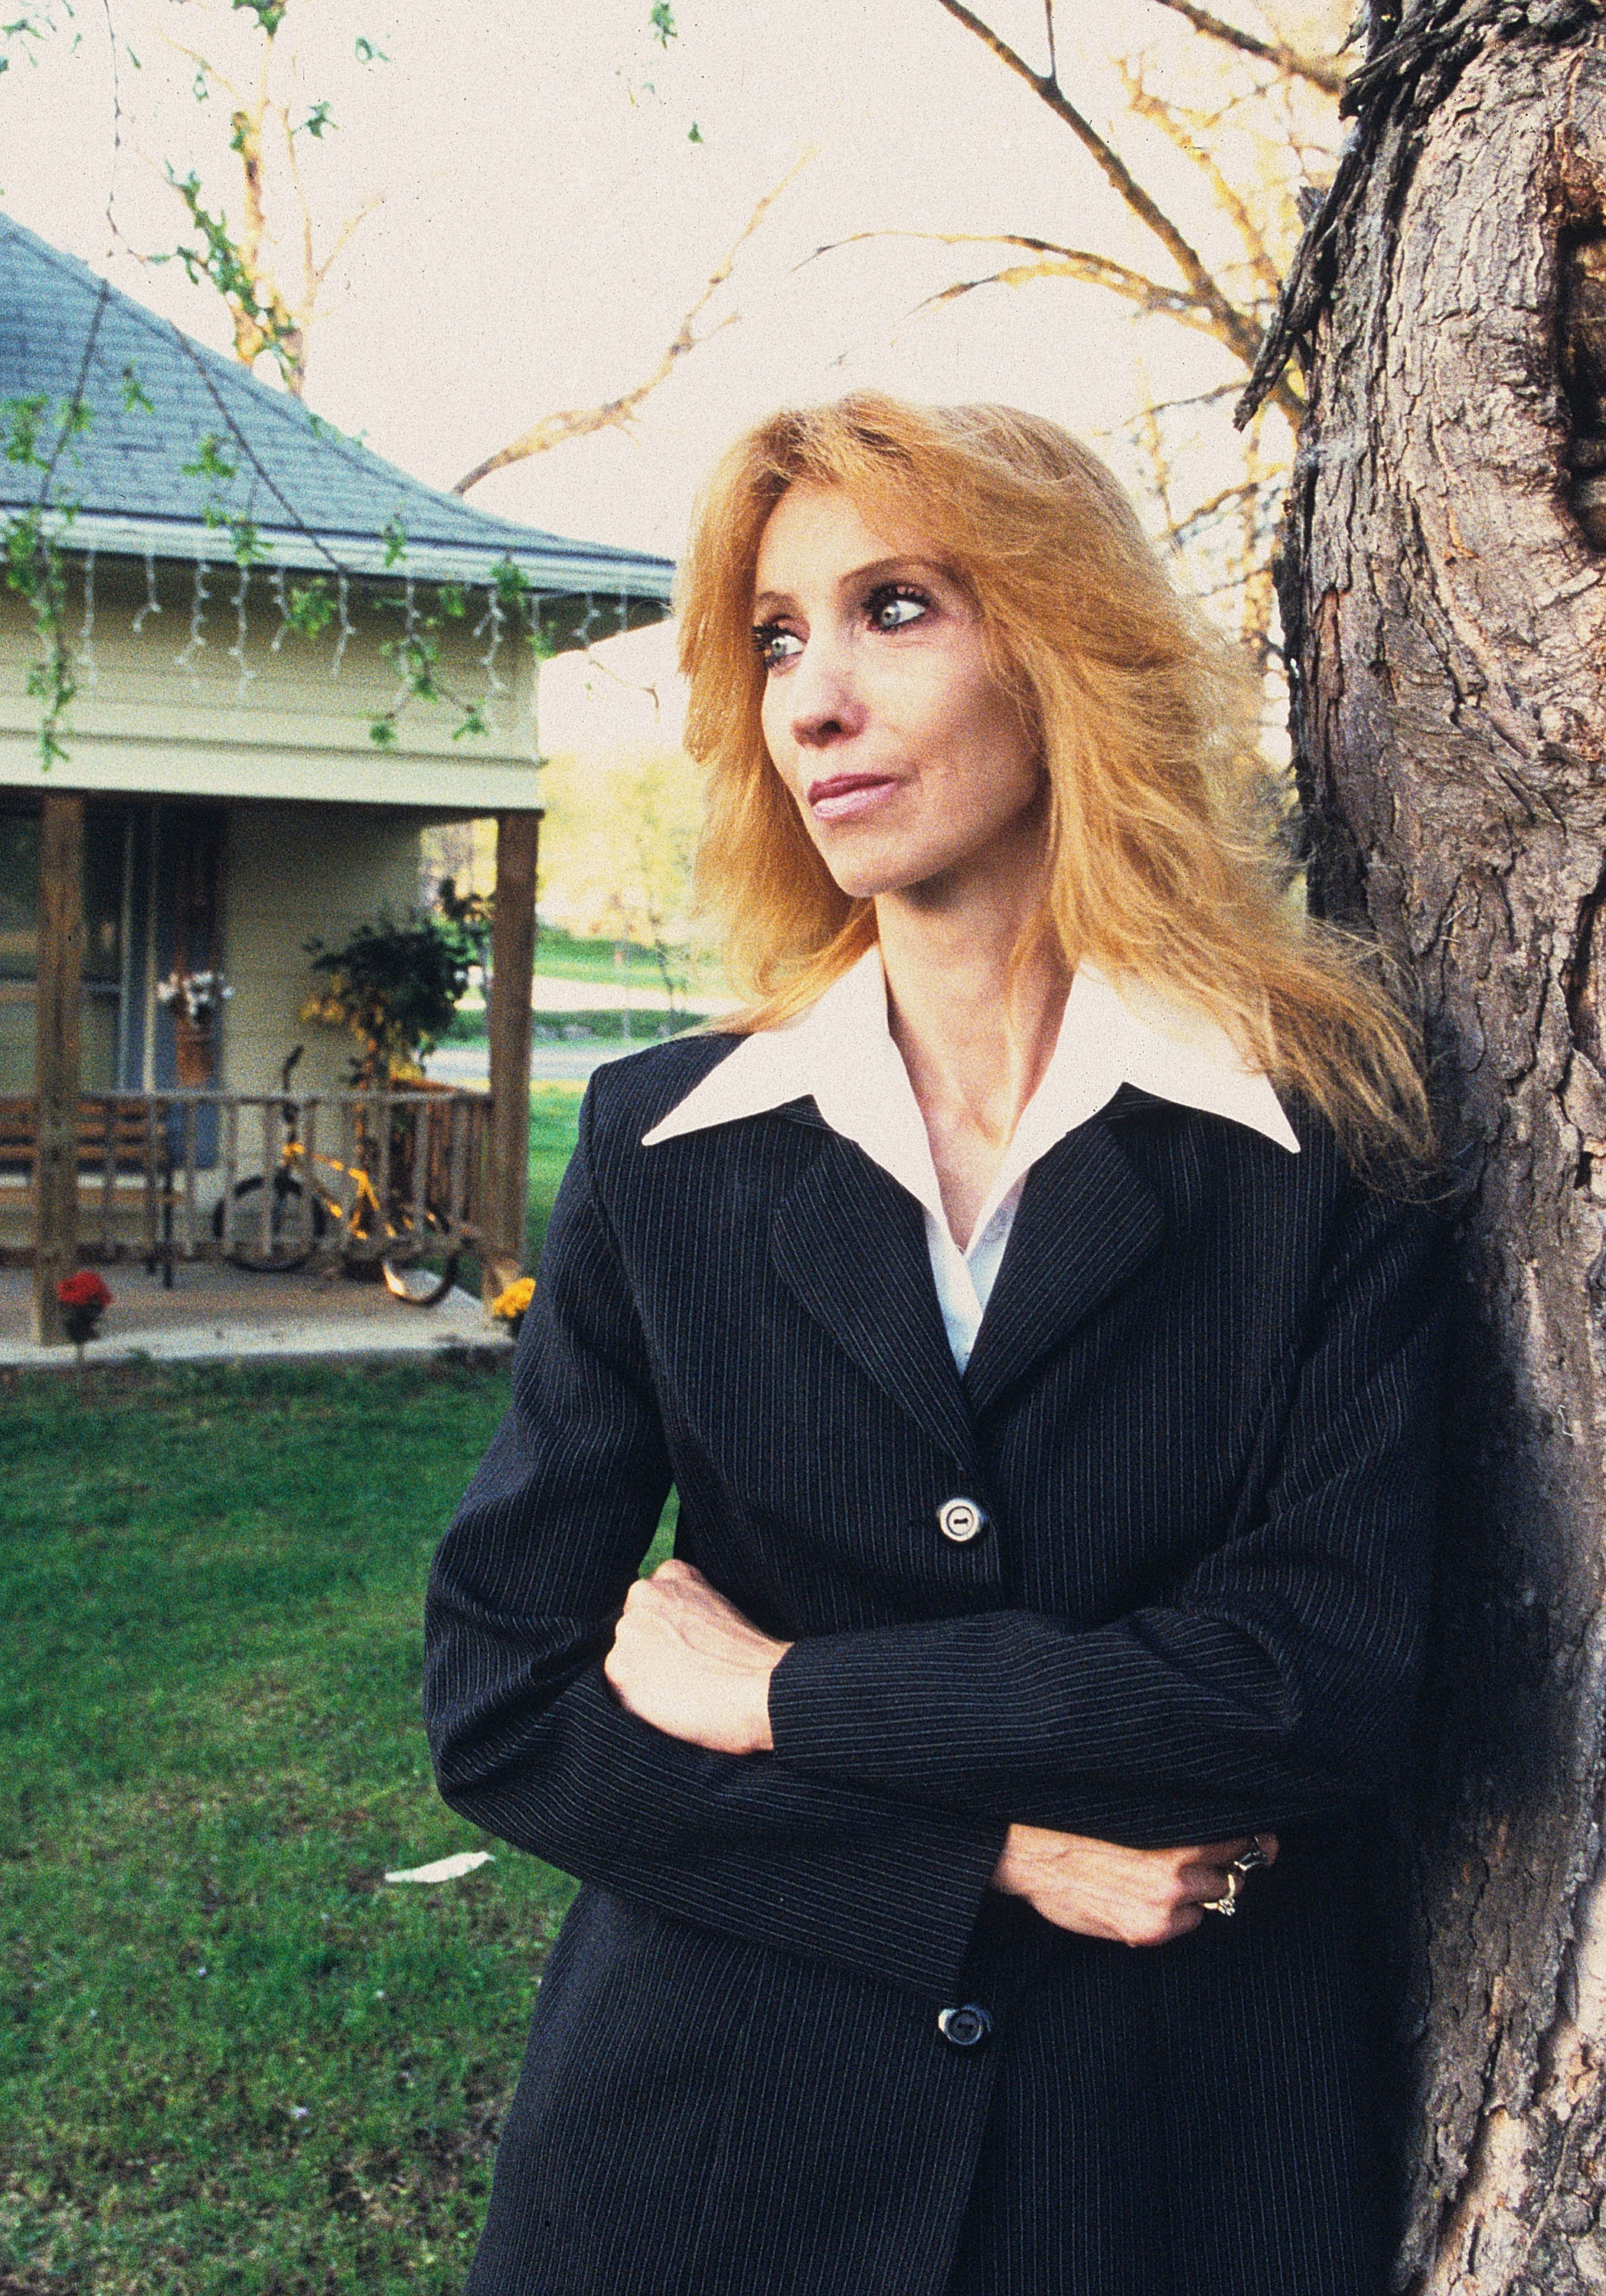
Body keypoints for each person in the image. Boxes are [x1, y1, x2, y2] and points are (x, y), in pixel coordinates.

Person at [424, 392, 1444, 2296]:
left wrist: (786, 1696)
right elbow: (503, 1701)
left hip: (1165, 2164)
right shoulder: (668, 1151)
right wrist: (993, 1850)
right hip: (710, 2151)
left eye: (894, 608)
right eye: (775, 639)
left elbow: (1318, 1682)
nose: (809, 700)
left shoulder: (1318, 1141)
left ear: (1069, 651)